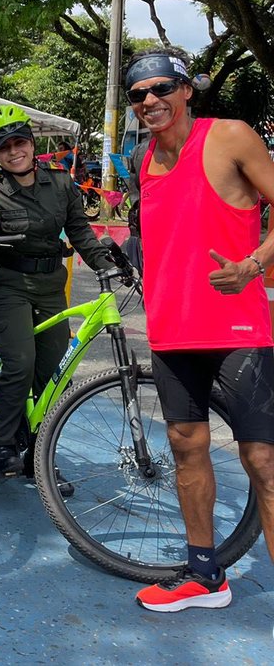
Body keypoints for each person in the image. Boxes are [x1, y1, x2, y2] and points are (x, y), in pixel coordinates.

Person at [120, 48, 274, 613]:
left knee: (262, 459)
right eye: (138, 95)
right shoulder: (143, 160)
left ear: (187, 90)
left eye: (161, 89)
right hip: (172, 332)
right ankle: (206, 576)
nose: (150, 102)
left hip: (238, 327)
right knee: (187, 450)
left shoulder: (231, 135)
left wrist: (253, 265)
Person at [0, 105, 113, 479]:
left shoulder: (61, 183)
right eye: (3, 148)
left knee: (54, 372)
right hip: (6, 284)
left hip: (49, 285)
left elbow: (79, 232)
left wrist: (106, 266)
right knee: (20, 362)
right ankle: (0, 445)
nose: (14, 152)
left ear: (31, 144)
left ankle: (40, 454)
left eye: (19, 143)